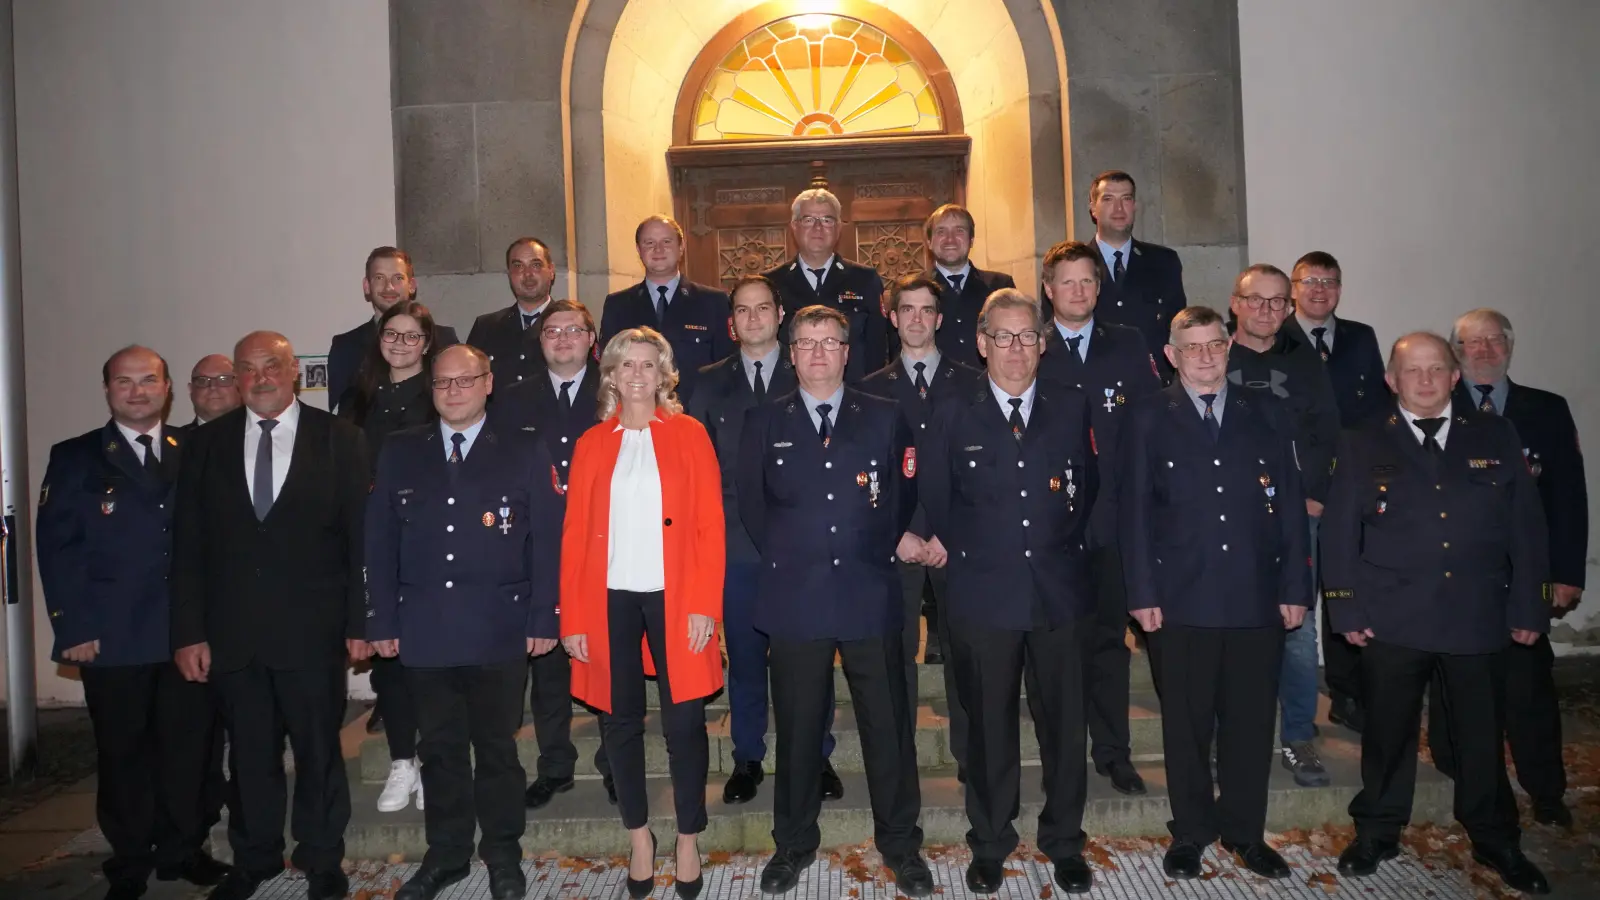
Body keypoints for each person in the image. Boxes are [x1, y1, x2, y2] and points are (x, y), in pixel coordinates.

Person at [1324, 332, 1551, 895]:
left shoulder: (1495, 434)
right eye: (1412, 370)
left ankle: (1496, 836)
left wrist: (1531, 604)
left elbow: (1527, 528)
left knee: (1479, 732)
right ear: (1391, 380)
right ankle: (1377, 829)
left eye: (1436, 369)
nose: (1425, 380)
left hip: (1478, 615)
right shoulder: (1360, 440)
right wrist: (1345, 607)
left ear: (1454, 377)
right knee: (1388, 731)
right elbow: (1338, 535)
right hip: (1392, 616)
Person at [736, 305, 931, 897]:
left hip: (870, 591)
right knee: (796, 730)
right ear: (790, 353)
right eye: (806, 343)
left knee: (889, 725)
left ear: (849, 352)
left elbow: (903, 493)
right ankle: (792, 843)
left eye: (830, 342)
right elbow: (753, 505)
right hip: (796, 597)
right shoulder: (764, 420)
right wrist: (800, 557)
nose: (818, 353)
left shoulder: (886, 415)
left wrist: (868, 548)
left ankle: (901, 844)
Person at [171, 331, 370, 900]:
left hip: (312, 632)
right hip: (232, 635)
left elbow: (360, 541)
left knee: (319, 752)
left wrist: (362, 622)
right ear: (236, 377)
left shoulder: (340, 439)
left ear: (294, 373)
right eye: (247, 369)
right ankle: (254, 857)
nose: (259, 378)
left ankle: (322, 856)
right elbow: (188, 548)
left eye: (271, 366)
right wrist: (188, 632)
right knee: (250, 755)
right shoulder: (206, 447)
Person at [365, 344, 563, 900]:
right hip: (423, 628)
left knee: (498, 750)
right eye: (443, 383)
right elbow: (378, 542)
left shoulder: (523, 449)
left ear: (488, 383)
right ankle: (447, 854)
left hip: (498, 627)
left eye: (465, 381)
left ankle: (503, 854)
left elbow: (547, 542)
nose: (453, 392)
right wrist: (379, 614)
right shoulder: (401, 450)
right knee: (441, 749)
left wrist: (545, 614)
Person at [1120, 305, 1310, 882]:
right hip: (1179, 600)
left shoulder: (1268, 412)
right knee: (1186, 725)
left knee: (1252, 723)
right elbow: (1133, 513)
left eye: (1215, 345)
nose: (1205, 356)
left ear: (1229, 349)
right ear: (1171, 357)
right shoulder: (1148, 416)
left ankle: (1246, 832)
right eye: (1192, 347)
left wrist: (1296, 586)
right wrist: (1141, 592)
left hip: (1256, 597)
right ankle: (1193, 832)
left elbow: (1293, 509)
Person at [918, 289, 1098, 895]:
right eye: (1003, 336)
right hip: (984, 594)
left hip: (1058, 594)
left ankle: (1064, 841)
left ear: (1042, 344)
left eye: (1026, 337)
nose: (1015, 349)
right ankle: (991, 842)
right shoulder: (950, 409)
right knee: (989, 726)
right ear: (981, 341)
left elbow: (1088, 489)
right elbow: (938, 498)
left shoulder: (1072, 406)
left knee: (1065, 726)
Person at [36, 346, 230, 900]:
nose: (138, 391)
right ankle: (129, 860)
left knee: (189, 751)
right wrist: (72, 627)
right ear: (107, 390)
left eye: (149, 380)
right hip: (112, 636)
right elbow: (58, 547)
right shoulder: (76, 457)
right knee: (123, 754)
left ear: (168, 389)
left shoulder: (195, 449)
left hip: (185, 634)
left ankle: (182, 850)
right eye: (124, 382)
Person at [561, 327, 725, 900]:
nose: (637, 375)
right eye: (626, 365)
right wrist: (572, 618)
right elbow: (575, 536)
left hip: (675, 596)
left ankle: (686, 836)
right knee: (620, 722)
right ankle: (638, 837)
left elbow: (709, 526)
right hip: (607, 599)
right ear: (609, 374)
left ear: (664, 375)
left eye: (648, 365)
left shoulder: (689, 435)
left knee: (684, 724)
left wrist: (706, 604)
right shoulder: (591, 443)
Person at [1424, 309, 1586, 829]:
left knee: (1530, 688)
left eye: (1495, 341)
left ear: (1510, 346)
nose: (1485, 351)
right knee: (1457, 686)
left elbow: (1568, 499)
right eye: (1472, 343)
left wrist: (1566, 573)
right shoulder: (1434, 410)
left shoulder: (1547, 410)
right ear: (1456, 352)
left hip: (1523, 575)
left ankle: (1545, 789)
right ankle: (1464, 780)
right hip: (1456, 578)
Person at [689, 276, 844, 806]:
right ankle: (748, 757)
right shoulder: (707, 384)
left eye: (762, 308)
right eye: (742, 310)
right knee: (749, 659)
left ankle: (817, 754)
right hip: (737, 547)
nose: (753, 318)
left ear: (781, 314)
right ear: (730, 322)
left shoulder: (809, 367)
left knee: (810, 657)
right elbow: (700, 472)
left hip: (806, 544)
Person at [1035, 241, 1162, 796]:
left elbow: (1151, 427)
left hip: (1112, 524)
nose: (1079, 290)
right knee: (1054, 647)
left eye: (1087, 280)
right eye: (1067, 282)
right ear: (1048, 289)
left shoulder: (1129, 346)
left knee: (1111, 643)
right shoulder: (1026, 345)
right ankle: (1059, 753)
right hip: (1050, 530)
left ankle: (1113, 752)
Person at [489, 299, 616, 808]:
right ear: (539, 342)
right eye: (551, 332)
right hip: (535, 546)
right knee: (546, 661)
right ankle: (555, 764)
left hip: (605, 543)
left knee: (608, 658)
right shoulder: (512, 399)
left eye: (573, 330)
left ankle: (615, 761)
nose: (562, 339)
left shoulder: (616, 392)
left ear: (592, 339)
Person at [1225, 263, 1341, 789]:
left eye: (1277, 302)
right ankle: (1225, 739)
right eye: (1256, 300)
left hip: (1295, 516)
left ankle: (1297, 737)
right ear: (1236, 303)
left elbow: (1326, 431)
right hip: (1228, 516)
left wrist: (1314, 494)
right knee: (1226, 626)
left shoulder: (1306, 363)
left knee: (1297, 629)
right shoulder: (1213, 354)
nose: (1267, 310)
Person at [859, 275, 980, 738]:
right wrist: (897, 534)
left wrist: (952, 532)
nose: (916, 318)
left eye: (925, 310)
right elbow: (869, 474)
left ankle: (973, 760)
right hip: (899, 541)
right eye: (906, 309)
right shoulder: (869, 388)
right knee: (896, 653)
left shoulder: (972, 383)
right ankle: (899, 757)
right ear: (891, 317)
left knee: (965, 653)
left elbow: (981, 467)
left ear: (940, 318)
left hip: (958, 541)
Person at [337, 299, 444, 811]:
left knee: (428, 659)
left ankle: (433, 758)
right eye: (391, 335)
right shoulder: (356, 400)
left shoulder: (440, 396)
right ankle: (403, 760)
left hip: (426, 542)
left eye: (411, 336)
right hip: (371, 541)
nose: (400, 344)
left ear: (427, 343)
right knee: (389, 660)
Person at [1278, 250, 1387, 733]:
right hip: (1299, 492)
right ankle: (1293, 703)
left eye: (1330, 281)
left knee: (1346, 591)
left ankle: (1346, 694)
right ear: (1294, 288)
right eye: (1309, 281)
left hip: (1352, 491)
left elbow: (1376, 414)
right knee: (1299, 601)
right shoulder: (1276, 338)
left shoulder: (1361, 339)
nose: (1320, 290)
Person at [600, 215, 734, 398]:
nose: (658, 249)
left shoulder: (713, 301)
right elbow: (608, 368)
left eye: (666, 241)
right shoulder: (618, 305)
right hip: (638, 416)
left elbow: (726, 367)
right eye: (649, 243)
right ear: (639, 250)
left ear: (681, 247)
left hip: (695, 417)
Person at [763, 188, 887, 382]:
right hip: (788, 397)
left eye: (827, 220)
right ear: (794, 226)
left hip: (853, 396)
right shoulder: (771, 283)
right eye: (809, 220)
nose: (818, 228)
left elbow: (878, 346)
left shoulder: (864, 279)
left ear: (838, 227)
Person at [1072, 171, 1187, 377]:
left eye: (1126, 199)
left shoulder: (1164, 262)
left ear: (1134, 206)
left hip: (1153, 391)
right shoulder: (1071, 265)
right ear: (1092, 208)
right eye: (1108, 199)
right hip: (1093, 390)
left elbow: (1180, 331)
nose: (1119, 208)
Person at [328, 247, 460, 408]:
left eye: (398, 278)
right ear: (366, 286)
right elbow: (341, 420)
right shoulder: (345, 346)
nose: (389, 287)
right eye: (379, 278)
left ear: (411, 285)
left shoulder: (444, 339)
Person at [920, 204, 1016, 369]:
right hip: (935, 391)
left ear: (971, 240)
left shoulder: (1000, 285)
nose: (950, 239)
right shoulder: (914, 288)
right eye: (941, 231)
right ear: (929, 241)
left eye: (959, 231)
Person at [468, 237, 557, 387]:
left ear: (551, 271)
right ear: (509, 274)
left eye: (536, 265)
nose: (528, 274)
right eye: (518, 266)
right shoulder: (486, 327)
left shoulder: (571, 325)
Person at [185, 355, 241, 427]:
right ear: (191, 390)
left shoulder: (256, 436)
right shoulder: (176, 438)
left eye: (223, 379)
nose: (213, 386)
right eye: (203, 380)